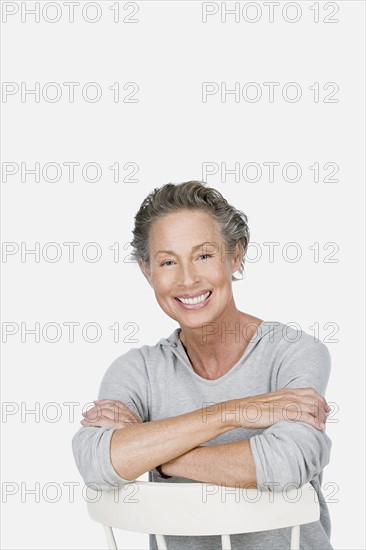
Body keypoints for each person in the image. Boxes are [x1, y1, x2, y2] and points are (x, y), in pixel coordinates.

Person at [72, 180, 333, 550]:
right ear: (147, 271)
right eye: (167, 262)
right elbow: (99, 462)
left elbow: (287, 462)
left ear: (236, 255)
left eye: (204, 256)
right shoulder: (137, 370)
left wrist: (160, 457)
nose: (188, 279)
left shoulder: (294, 352)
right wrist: (233, 413)